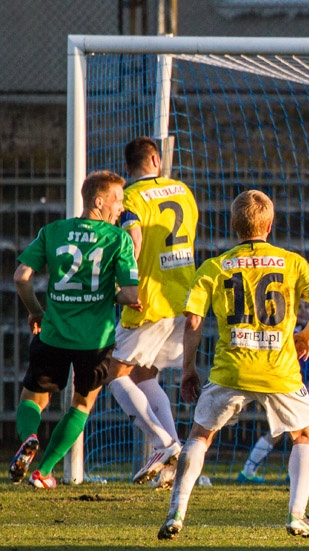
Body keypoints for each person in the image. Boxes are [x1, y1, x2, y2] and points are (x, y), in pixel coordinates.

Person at [158, 190, 309, 540]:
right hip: (279, 370)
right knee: (304, 435)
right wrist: (306, 336)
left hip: (230, 368)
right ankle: (296, 514)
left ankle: (177, 511)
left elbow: (193, 320)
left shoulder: (214, 266)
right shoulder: (292, 262)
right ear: (270, 223)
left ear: (234, 226)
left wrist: (188, 369)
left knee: (200, 436)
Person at [8, 171, 140, 488]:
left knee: (32, 399)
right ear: (98, 201)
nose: (121, 207)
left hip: (53, 333)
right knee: (81, 404)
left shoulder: (53, 231)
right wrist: (111, 294)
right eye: (117, 200)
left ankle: (28, 438)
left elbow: (21, 277)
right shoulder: (118, 239)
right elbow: (131, 295)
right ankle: (43, 472)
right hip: (95, 340)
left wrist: (36, 311)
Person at [107, 136, 199, 486]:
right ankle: (172, 460)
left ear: (128, 169)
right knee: (145, 375)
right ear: (156, 160)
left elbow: (134, 241)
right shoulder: (182, 191)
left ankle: (162, 443)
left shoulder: (130, 197)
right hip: (184, 296)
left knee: (115, 374)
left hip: (148, 300)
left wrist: (124, 287)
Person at [237, 302, 309, 484]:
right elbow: (300, 362)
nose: (304, 311)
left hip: (295, 388)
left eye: (307, 308)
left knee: (288, 433)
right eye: (300, 307)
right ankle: (252, 471)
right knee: (298, 433)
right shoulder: (288, 330)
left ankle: (257, 471)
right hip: (287, 388)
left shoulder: (301, 329)